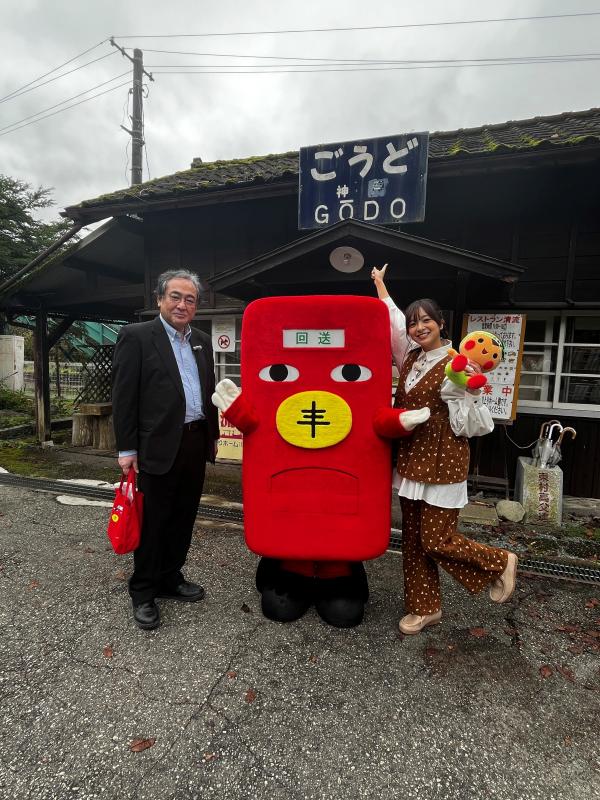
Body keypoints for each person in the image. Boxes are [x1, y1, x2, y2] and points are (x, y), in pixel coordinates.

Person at [371, 264, 518, 635]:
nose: (419, 328)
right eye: (414, 323)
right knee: (413, 542)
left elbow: (477, 425)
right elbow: (391, 319)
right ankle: (425, 608)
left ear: (441, 323)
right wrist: (381, 286)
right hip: (410, 459)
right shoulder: (411, 357)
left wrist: (464, 395)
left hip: (442, 461)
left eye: (426, 321)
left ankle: (499, 561)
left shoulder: (460, 363)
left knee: (436, 540)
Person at [112, 269, 219, 630]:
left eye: (190, 299)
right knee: (154, 521)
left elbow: (210, 393)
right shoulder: (138, 336)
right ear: (160, 299)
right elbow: (124, 397)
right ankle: (143, 590)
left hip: (194, 441)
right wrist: (126, 448)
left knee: (183, 516)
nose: (182, 304)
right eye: (175, 296)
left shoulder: (201, 340)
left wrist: (213, 435)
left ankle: (170, 578)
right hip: (154, 446)